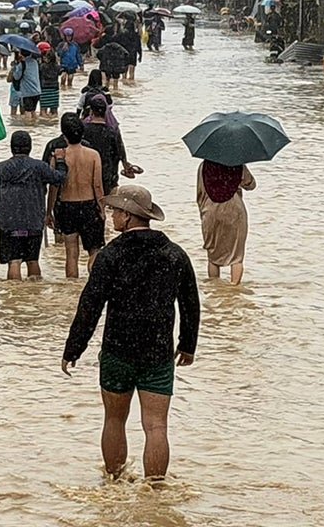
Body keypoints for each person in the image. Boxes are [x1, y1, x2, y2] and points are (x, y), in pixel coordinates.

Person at [61, 185, 200, 481]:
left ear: (127, 215)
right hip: (158, 351)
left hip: (117, 350)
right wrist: (187, 345)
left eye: (115, 211)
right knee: (156, 426)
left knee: (114, 419)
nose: (112, 216)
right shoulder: (174, 254)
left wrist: (74, 348)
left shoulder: (111, 256)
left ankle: (113, 482)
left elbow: (90, 306)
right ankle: (156, 493)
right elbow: (190, 303)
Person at [0, 131, 68, 281]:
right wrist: (60, 161)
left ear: (12, 147)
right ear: (29, 147)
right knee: (33, 260)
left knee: (14, 261)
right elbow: (59, 178)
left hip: (10, 221)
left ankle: (15, 297)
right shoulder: (39, 167)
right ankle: (33, 295)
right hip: (33, 220)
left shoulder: (1, 167)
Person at [48, 114, 105, 277]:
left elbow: (54, 187)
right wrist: (102, 208)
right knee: (94, 250)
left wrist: (49, 212)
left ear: (64, 134)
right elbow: (98, 185)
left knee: (71, 254)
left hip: (67, 206)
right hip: (89, 206)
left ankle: (71, 290)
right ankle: (94, 283)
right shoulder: (93, 155)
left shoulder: (59, 156)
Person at [197, 160, 257, 285]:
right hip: (234, 210)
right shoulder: (237, 164)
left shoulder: (203, 166)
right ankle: (234, 290)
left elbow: (200, 192)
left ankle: (214, 290)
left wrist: (203, 212)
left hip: (210, 210)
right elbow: (251, 185)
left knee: (213, 256)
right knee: (237, 256)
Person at [83, 97, 135, 196]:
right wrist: (125, 165)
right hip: (108, 175)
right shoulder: (112, 131)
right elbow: (120, 151)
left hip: (88, 174)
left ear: (91, 111)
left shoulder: (83, 130)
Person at [10, 48, 42, 123]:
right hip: (37, 91)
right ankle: (36, 127)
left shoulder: (22, 64)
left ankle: (29, 127)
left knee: (27, 112)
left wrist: (14, 68)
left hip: (28, 92)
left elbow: (16, 77)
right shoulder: (34, 62)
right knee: (33, 111)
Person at [38, 43, 61, 117]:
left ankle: (45, 125)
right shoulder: (57, 67)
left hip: (44, 89)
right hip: (54, 89)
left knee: (43, 110)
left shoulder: (41, 66)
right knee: (54, 111)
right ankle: (53, 124)